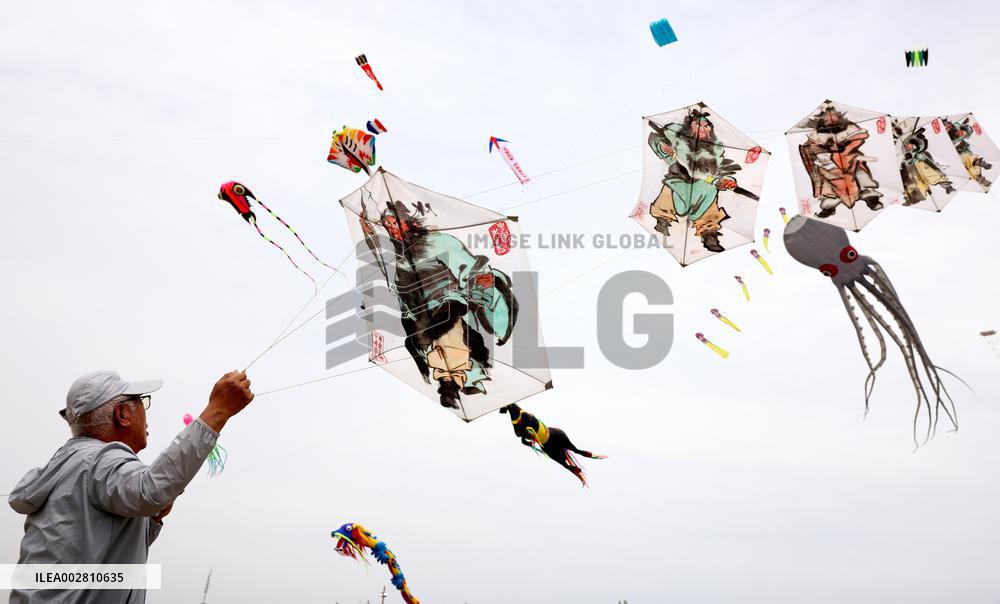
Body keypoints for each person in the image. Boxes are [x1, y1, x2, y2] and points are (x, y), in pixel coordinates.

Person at [7, 369, 254, 604]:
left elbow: (100, 549)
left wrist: (153, 519)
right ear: (122, 414)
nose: (146, 413)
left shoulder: (72, 464)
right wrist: (218, 410)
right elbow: (151, 490)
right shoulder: (99, 460)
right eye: (142, 402)